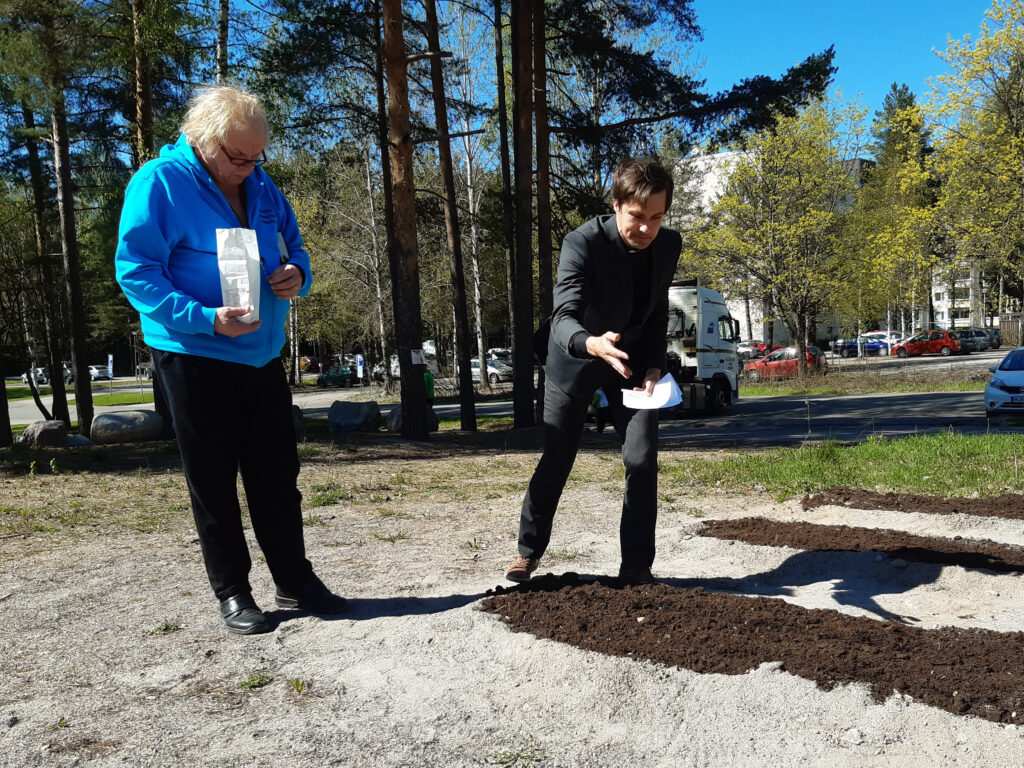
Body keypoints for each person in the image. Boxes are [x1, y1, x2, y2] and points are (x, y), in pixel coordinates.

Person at [115, 84, 347, 635]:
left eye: (255, 156)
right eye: (236, 157)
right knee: (214, 478)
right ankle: (234, 593)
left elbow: (296, 246)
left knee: (276, 474)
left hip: (261, 354)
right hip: (194, 354)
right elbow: (137, 271)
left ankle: (295, 582)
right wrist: (203, 316)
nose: (247, 167)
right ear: (202, 141)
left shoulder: (262, 184)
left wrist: (299, 276)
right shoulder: (159, 183)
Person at [506, 157, 681, 585]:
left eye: (656, 217)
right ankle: (527, 552)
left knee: (642, 460)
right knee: (558, 457)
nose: (647, 229)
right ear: (617, 203)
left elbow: (657, 314)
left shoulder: (669, 245)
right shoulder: (581, 242)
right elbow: (563, 315)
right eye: (637, 217)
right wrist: (592, 343)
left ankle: (637, 565)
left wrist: (656, 365)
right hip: (576, 360)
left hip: (633, 364)